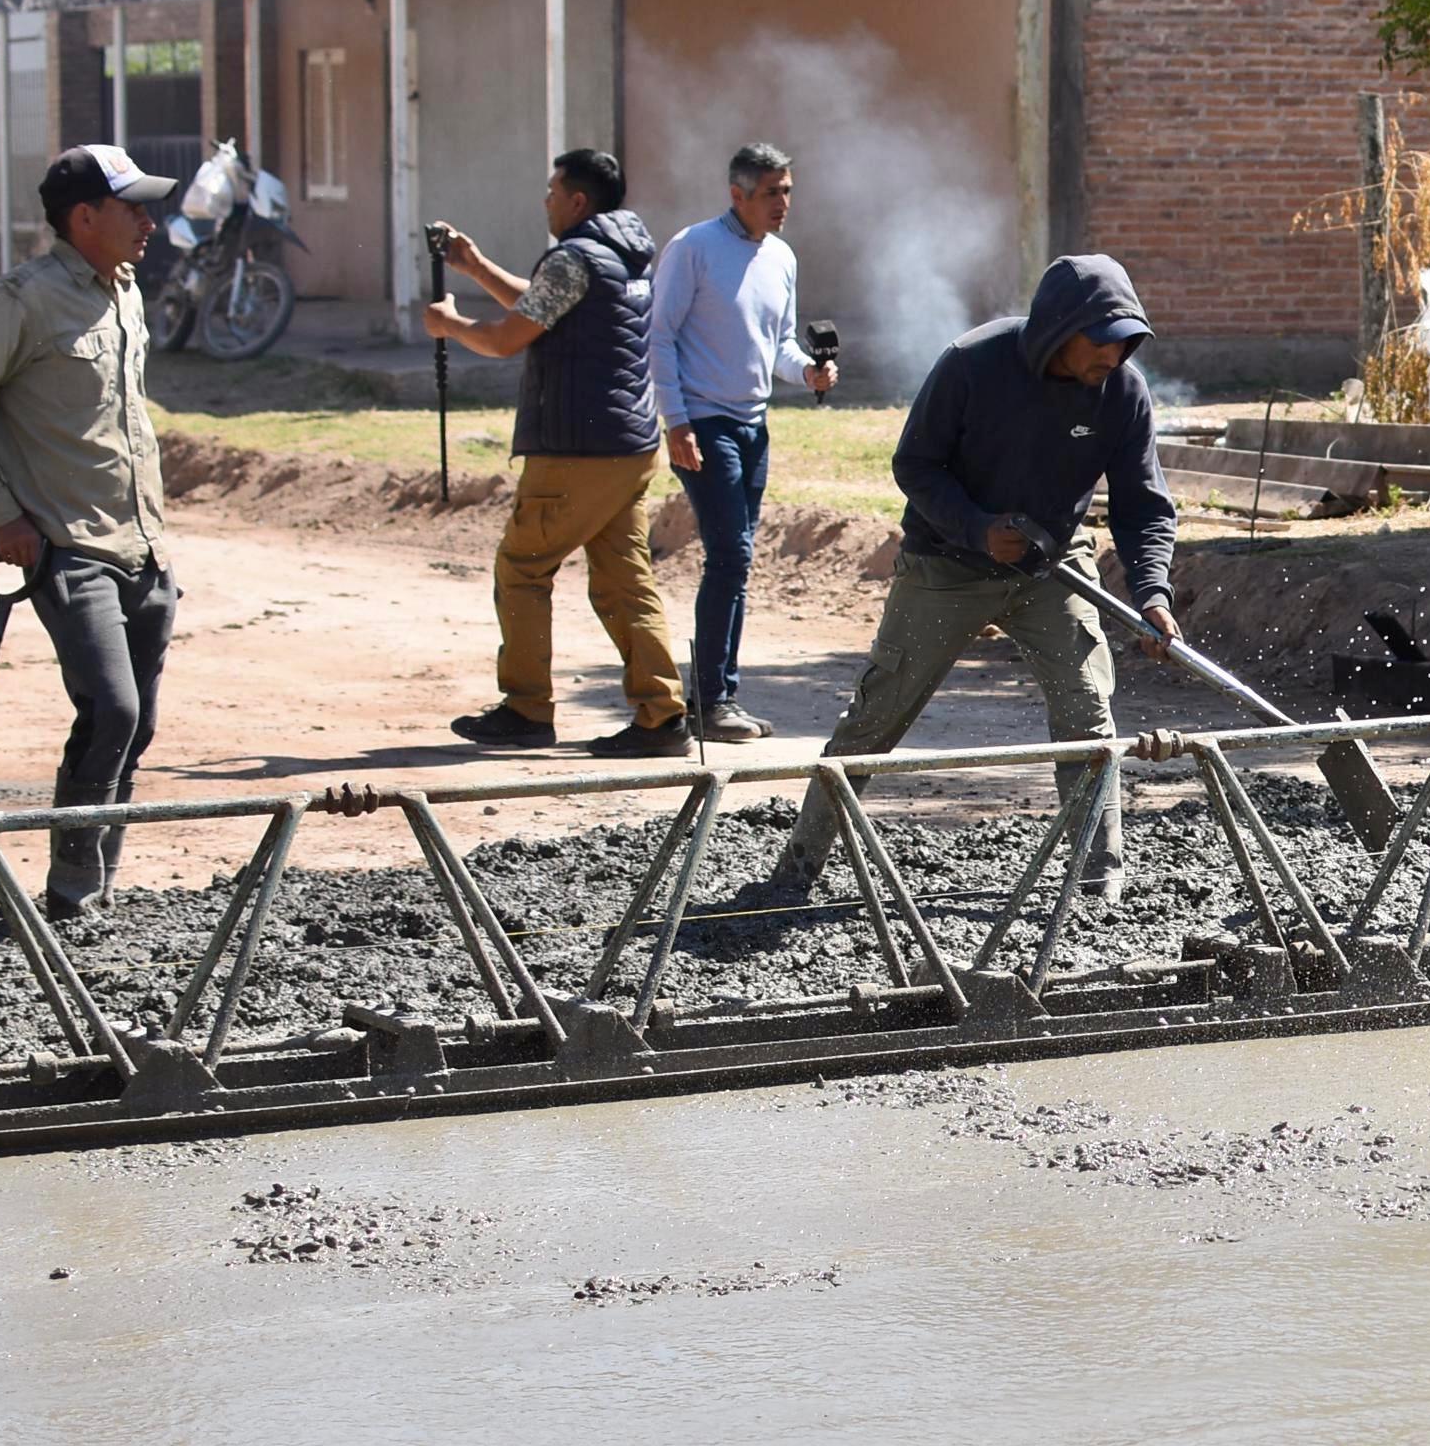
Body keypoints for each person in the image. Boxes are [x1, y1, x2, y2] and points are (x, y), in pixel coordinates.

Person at [749, 255, 1178, 905]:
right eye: (1101, 340)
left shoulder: (1122, 390)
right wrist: (977, 529)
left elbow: (1143, 504)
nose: (1113, 355)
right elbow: (915, 465)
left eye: (1125, 342)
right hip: (946, 562)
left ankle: (1099, 885)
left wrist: (1152, 592)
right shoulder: (972, 364)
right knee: (875, 718)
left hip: (1052, 564)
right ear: (1060, 329)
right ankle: (796, 872)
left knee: (1087, 713)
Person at [0, 143, 182, 917]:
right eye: (133, 209)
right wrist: (2, 513)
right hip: (67, 546)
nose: (149, 224)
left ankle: (100, 890)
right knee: (111, 710)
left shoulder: (124, 290)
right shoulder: (20, 302)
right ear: (83, 217)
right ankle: (71, 892)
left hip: (143, 545)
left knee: (137, 724)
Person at [424, 151, 687, 756]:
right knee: (625, 583)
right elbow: (545, 304)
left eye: (552, 191)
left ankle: (525, 709)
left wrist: (452, 325)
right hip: (627, 445)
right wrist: (476, 266)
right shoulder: (621, 255)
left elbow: (507, 337)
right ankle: (661, 715)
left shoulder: (574, 259)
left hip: (576, 450)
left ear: (577, 201)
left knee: (522, 568)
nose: (545, 200)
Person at [649, 141, 836, 744]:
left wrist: (808, 372)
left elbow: (779, 345)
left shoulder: (781, 256)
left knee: (737, 560)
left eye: (788, 191)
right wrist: (676, 422)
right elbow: (659, 337)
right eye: (772, 192)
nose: (783, 203)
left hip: (754, 427)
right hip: (704, 424)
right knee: (730, 556)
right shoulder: (693, 248)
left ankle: (719, 696)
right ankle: (711, 700)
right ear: (738, 194)